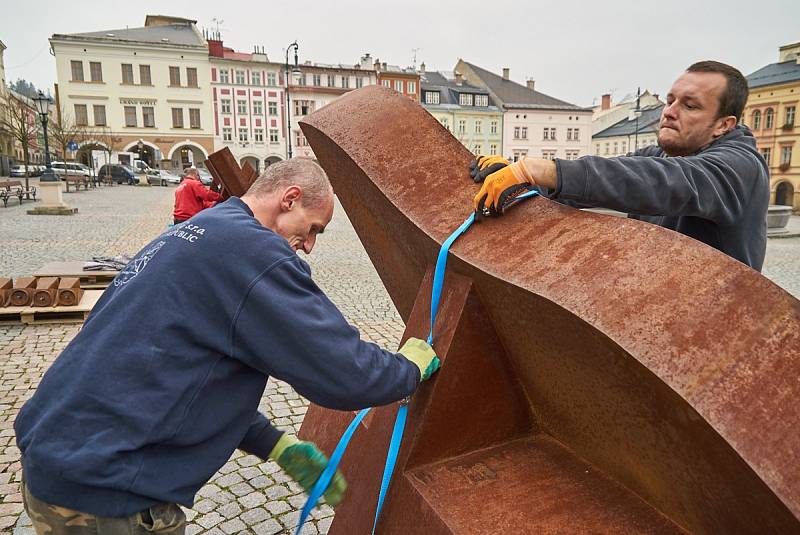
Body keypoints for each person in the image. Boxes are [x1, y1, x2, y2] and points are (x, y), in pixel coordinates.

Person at [15, 159, 440, 534]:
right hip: (106, 494)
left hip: (57, 462)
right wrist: (408, 368)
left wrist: (274, 443)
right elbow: (345, 372)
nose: (309, 245)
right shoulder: (255, 253)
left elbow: (181, 370)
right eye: (313, 229)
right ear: (289, 199)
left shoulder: (198, 231)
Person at [470, 61, 770, 271]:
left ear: (723, 124)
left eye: (689, 106)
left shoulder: (739, 167)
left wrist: (535, 169)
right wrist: (521, 179)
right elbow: (602, 179)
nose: (669, 112)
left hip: (719, 334)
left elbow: (663, 182)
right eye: (670, 100)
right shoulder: (664, 155)